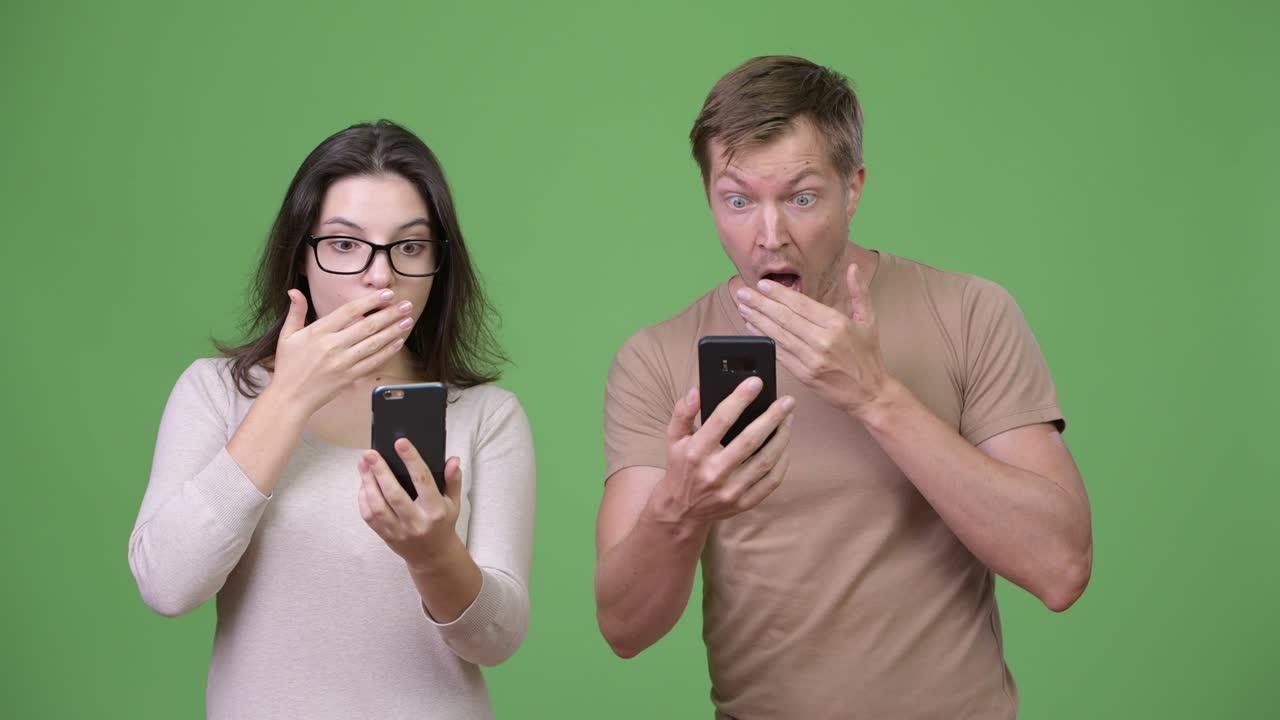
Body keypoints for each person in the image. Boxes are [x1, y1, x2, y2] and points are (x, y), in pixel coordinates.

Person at [595, 56, 1092, 719]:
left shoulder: (971, 313)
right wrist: (680, 507)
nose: (770, 237)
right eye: (737, 200)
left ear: (852, 188)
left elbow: (1061, 567)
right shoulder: (657, 358)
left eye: (802, 198)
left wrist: (876, 396)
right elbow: (624, 628)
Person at [129, 120, 535, 720]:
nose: (380, 275)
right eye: (345, 244)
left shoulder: (484, 416)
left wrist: (432, 554)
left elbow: (496, 641)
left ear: (438, 265)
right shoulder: (217, 392)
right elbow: (166, 584)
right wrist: (289, 396)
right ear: (301, 258)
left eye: (410, 246)